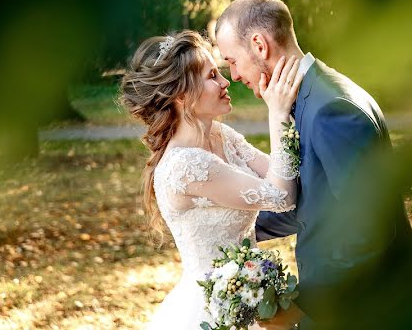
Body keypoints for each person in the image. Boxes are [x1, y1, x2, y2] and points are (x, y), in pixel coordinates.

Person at [216, 0, 412, 329]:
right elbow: (313, 202)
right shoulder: (312, 96)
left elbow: (368, 229)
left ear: (259, 45)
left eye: (232, 61)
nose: (234, 74)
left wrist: (304, 306)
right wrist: (234, 230)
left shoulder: (332, 109)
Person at [119, 30, 305, 329]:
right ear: (181, 94)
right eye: (212, 75)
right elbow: (282, 196)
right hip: (214, 308)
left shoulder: (221, 135)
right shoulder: (186, 166)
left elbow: (282, 172)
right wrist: (278, 112)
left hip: (251, 293)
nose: (225, 82)